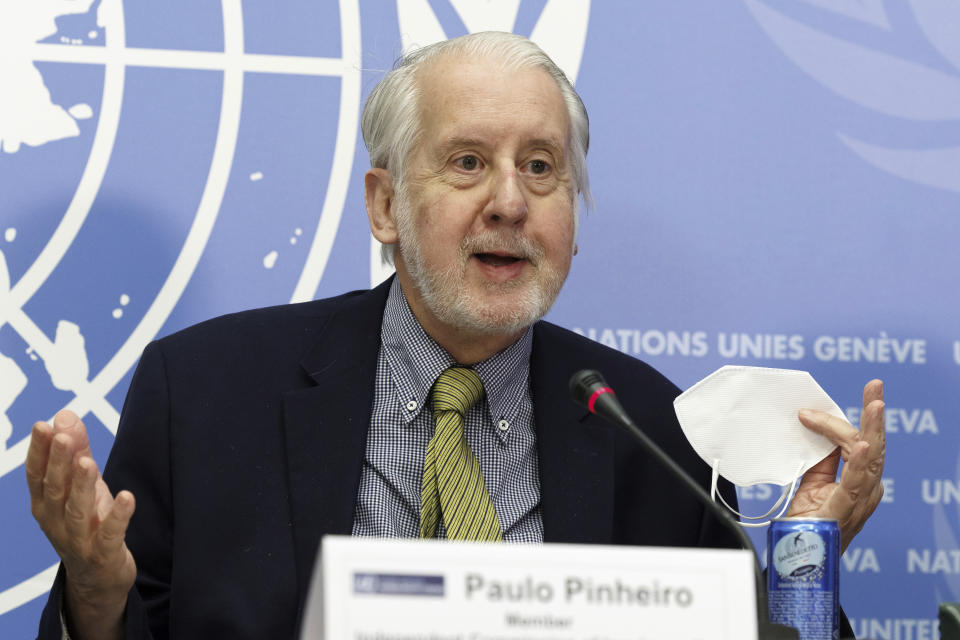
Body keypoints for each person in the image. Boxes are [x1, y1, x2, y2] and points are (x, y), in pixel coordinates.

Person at [26, 32, 886, 639]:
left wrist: (802, 564)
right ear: (384, 205)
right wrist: (96, 598)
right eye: (468, 162)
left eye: (541, 167)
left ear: (573, 220)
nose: (510, 201)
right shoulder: (207, 395)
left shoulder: (654, 430)